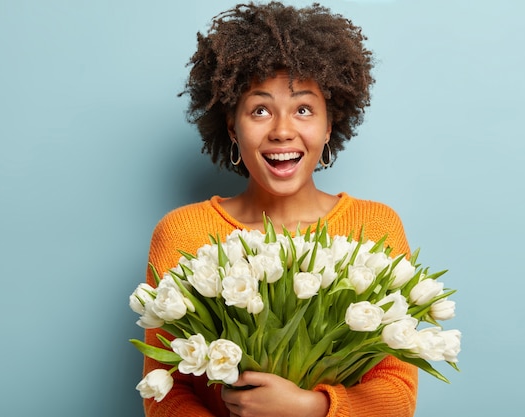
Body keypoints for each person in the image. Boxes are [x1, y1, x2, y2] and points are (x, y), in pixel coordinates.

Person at [142, 2, 418, 416]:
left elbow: (397, 388)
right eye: (260, 110)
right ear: (233, 127)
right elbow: (164, 390)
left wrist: (311, 408)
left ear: (329, 125)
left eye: (303, 109)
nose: (283, 130)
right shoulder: (183, 233)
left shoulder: (375, 227)